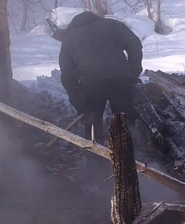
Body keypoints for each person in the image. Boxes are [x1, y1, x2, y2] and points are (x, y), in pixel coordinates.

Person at [58, 11, 143, 144]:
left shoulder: (68, 38)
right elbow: (134, 44)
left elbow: (67, 74)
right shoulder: (112, 25)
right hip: (120, 79)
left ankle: (95, 159)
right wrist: (133, 72)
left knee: (92, 123)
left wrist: (79, 103)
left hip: (91, 85)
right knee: (124, 120)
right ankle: (129, 156)